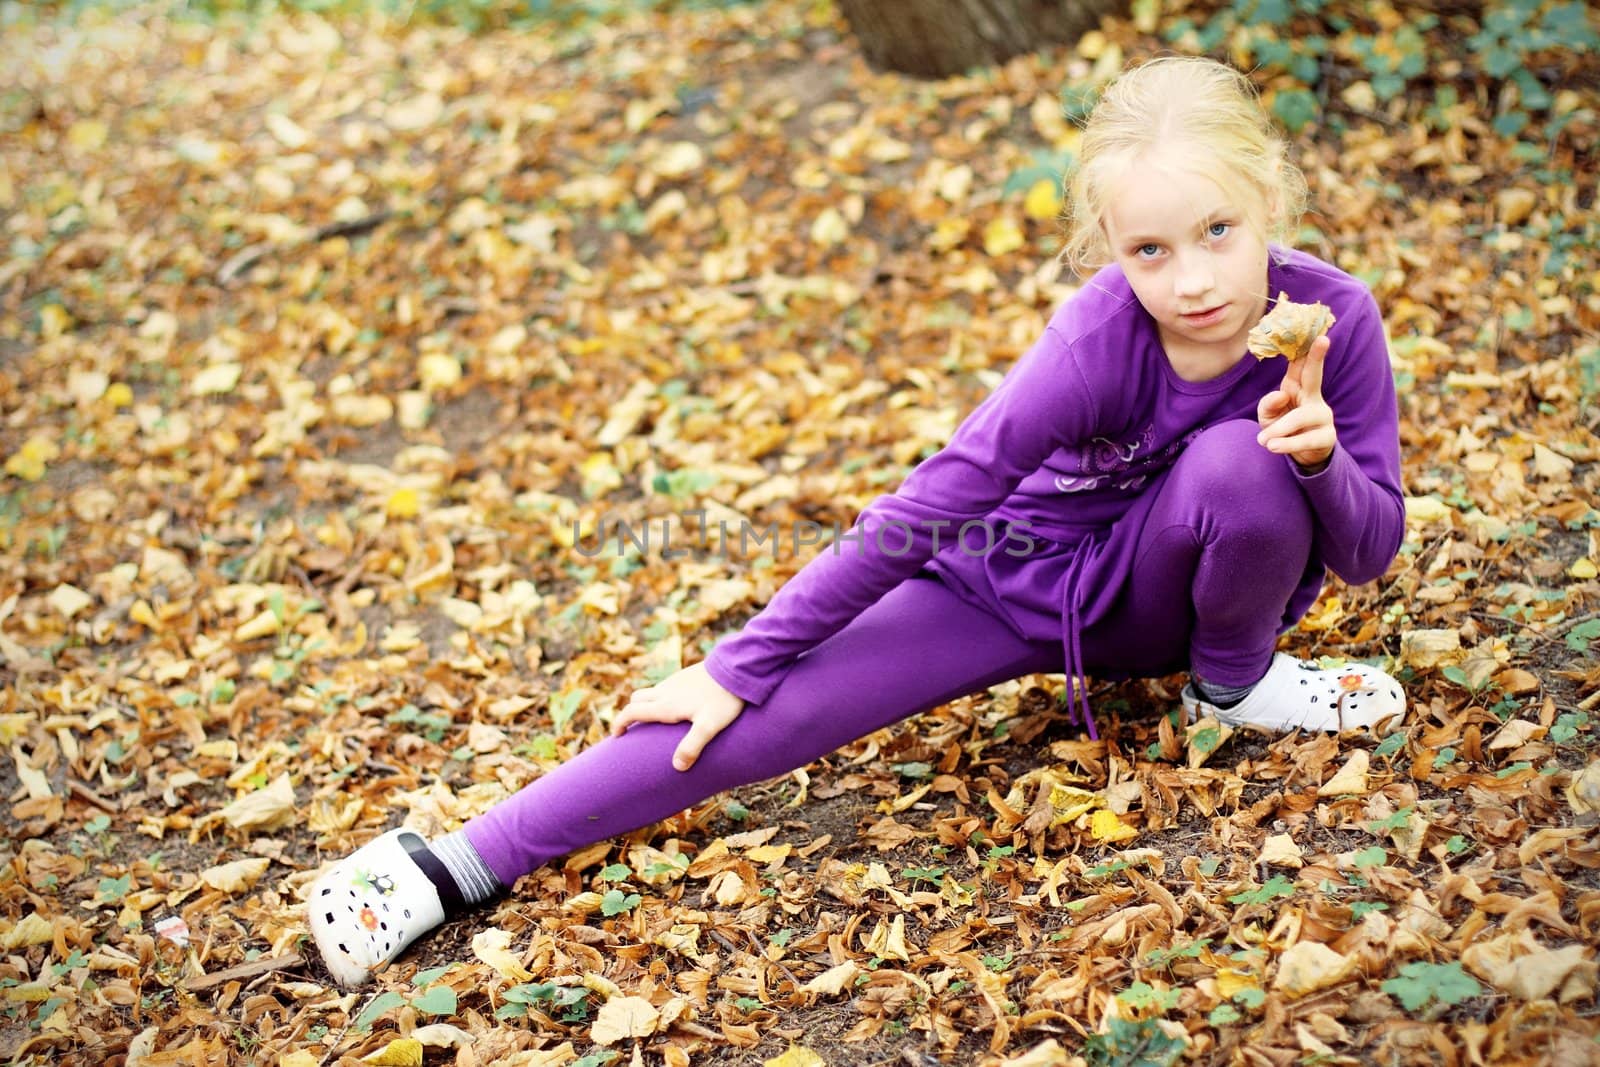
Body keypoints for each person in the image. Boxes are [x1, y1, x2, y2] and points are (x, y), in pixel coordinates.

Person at [307, 55, 1406, 987]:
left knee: (1243, 463)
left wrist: (1316, 462)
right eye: (1150, 250)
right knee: (747, 721)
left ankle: (1237, 682)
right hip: (1010, 583)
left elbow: (1368, 551)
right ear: (1109, 250)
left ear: (1272, 199)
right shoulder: (1093, 343)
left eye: (1219, 230)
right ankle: (449, 860)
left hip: (1182, 588)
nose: (1194, 278)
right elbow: (936, 500)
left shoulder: (1333, 317)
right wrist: (739, 663)